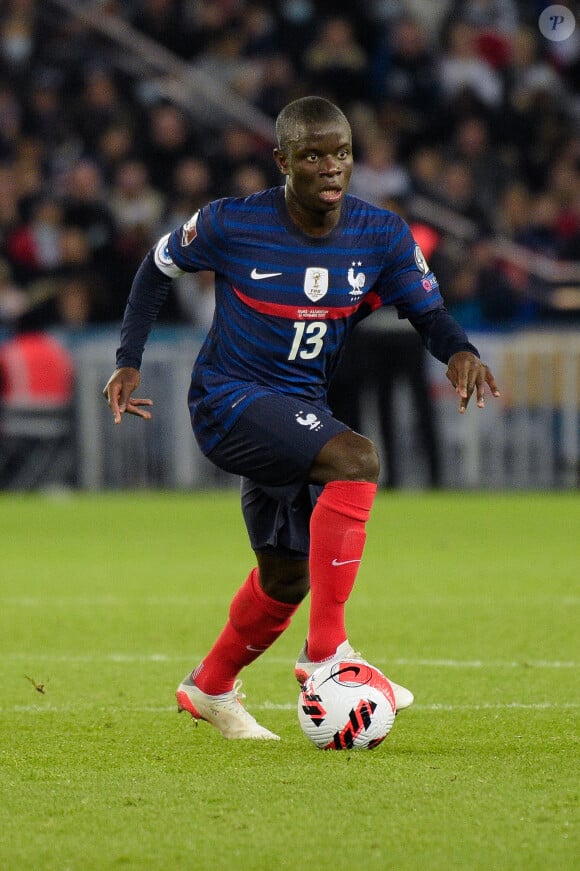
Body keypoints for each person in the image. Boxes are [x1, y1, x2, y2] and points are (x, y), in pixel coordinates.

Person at [103, 97, 500, 741]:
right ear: (282, 160)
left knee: (285, 579)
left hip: (298, 410)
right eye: (313, 155)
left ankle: (209, 686)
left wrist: (459, 351)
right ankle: (326, 656)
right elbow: (157, 266)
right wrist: (128, 360)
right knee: (358, 459)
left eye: (341, 153)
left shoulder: (381, 234)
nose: (330, 167)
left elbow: (429, 312)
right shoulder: (232, 223)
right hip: (227, 400)